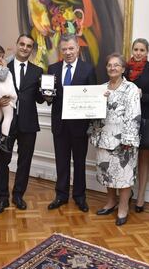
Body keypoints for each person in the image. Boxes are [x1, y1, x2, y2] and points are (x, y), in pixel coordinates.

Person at [0, 34, 45, 214]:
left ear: (32, 49)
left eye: (28, 46)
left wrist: (47, 94)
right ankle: (2, 198)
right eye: (22, 44)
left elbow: (39, 98)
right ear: (16, 45)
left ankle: (18, 195)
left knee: (25, 162)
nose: (24, 48)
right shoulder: (3, 68)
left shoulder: (38, 71)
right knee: (2, 160)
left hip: (28, 124)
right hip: (7, 121)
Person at [46, 34, 97, 212]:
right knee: (61, 161)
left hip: (79, 126)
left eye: (71, 48)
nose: (68, 52)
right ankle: (61, 195)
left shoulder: (88, 69)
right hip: (59, 125)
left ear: (78, 49)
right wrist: (46, 96)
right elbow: (49, 99)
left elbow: (92, 98)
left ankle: (80, 196)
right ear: (61, 50)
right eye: (64, 49)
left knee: (80, 162)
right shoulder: (52, 68)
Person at [90, 53, 141, 225]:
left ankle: (123, 207)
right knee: (107, 173)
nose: (113, 68)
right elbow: (94, 113)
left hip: (124, 139)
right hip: (104, 137)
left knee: (124, 176)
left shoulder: (131, 88)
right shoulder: (101, 88)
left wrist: (128, 140)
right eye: (110, 65)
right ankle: (111, 201)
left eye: (116, 65)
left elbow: (134, 116)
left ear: (123, 69)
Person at [125, 38, 149, 213]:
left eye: (142, 50)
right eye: (136, 49)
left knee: (143, 159)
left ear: (147, 52)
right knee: (126, 158)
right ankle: (126, 193)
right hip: (125, 120)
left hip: (145, 120)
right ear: (132, 50)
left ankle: (141, 196)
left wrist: (142, 95)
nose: (138, 53)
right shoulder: (124, 68)